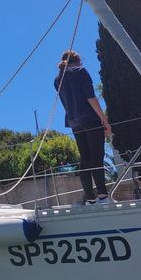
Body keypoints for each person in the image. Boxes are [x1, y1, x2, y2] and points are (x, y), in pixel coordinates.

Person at [54, 50, 113, 204]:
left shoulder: (58, 79)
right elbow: (91, 98)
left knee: (85, 158)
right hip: (90, 119)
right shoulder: (81, 72)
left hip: (74, 122)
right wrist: (104, 120)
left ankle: (90, 198)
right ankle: (103, 195)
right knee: (97, 156)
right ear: (78, 61)